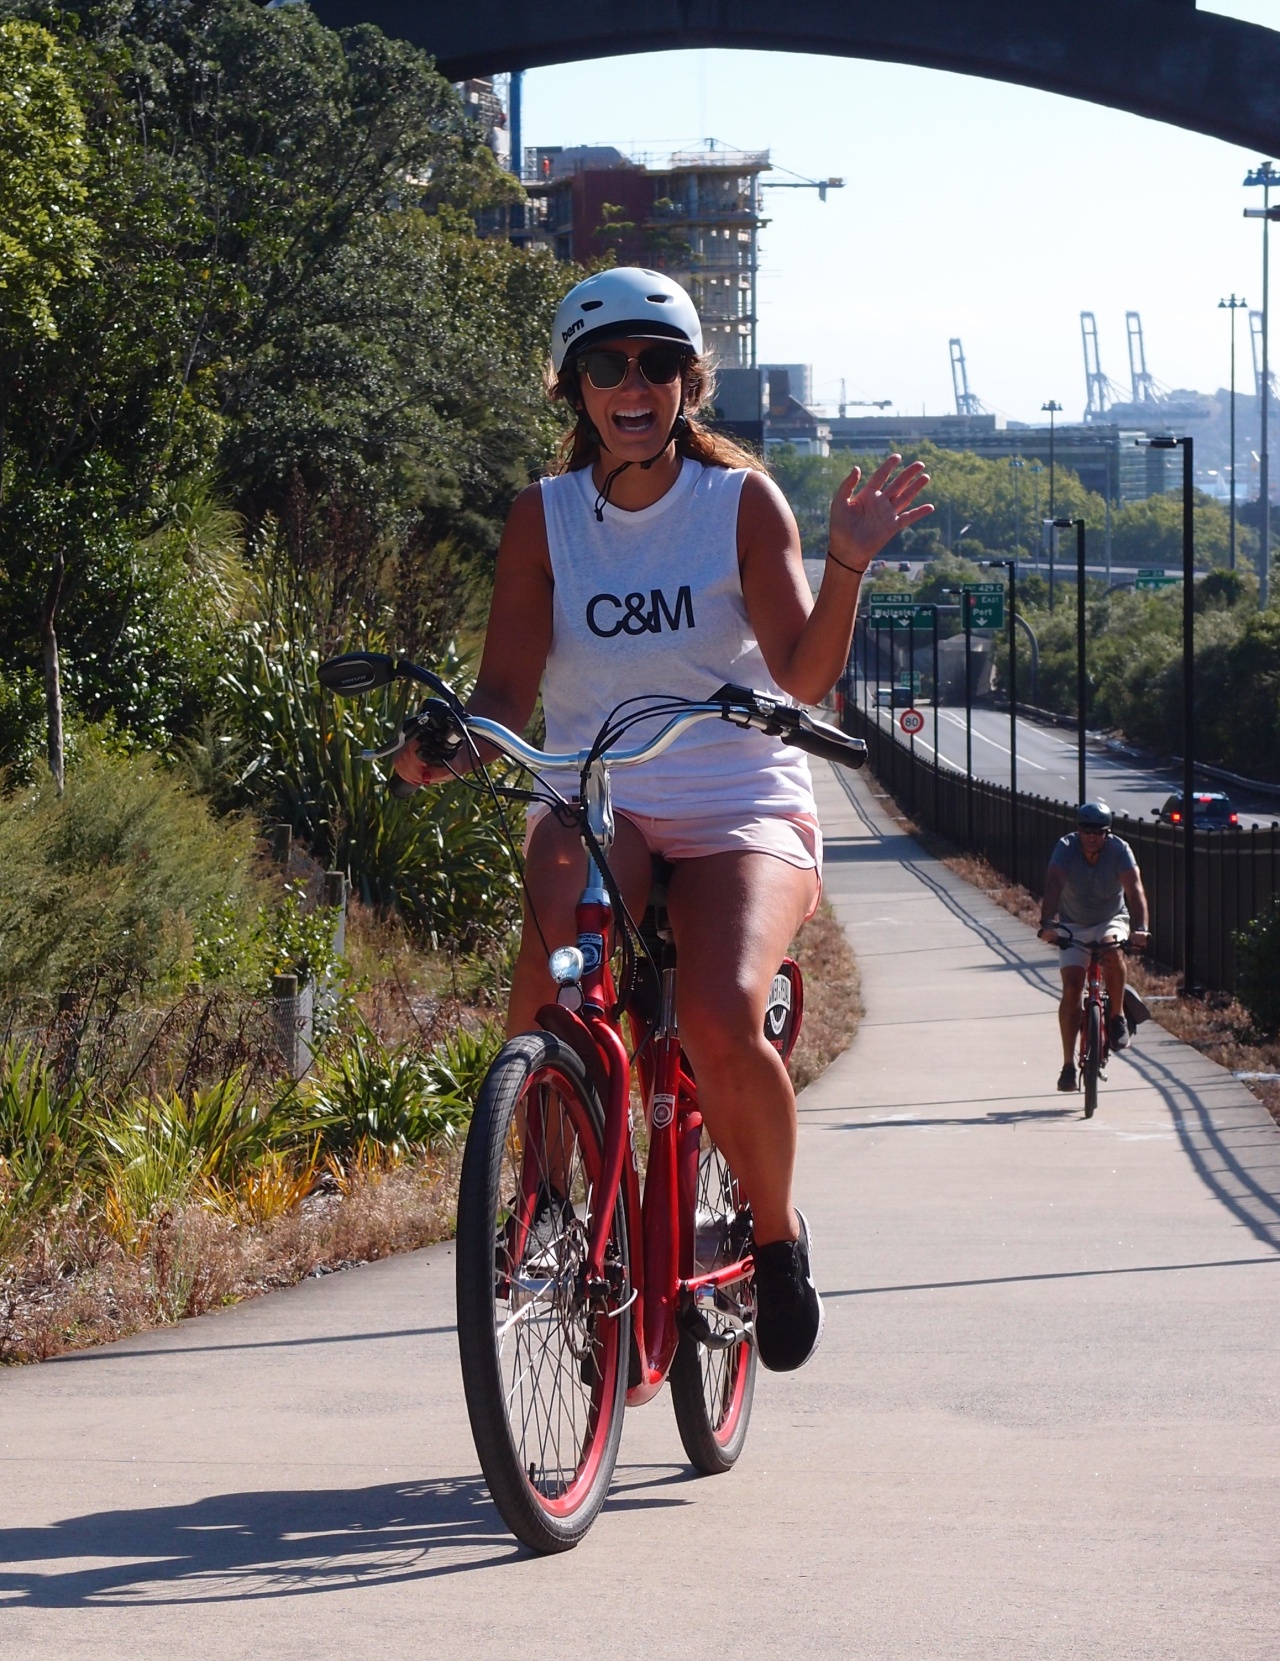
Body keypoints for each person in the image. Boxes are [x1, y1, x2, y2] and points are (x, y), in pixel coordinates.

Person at [393, 266, 931, 1372]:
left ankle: (773, 1238)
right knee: (555, 970)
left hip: (739, 800)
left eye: (655, 365)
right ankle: (549, 1204)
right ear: (572, 386)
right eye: (605, 366)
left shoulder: (740, 504)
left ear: (690, 382)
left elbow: (805, 677)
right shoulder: (543, 519)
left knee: (722, 1013)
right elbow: (504, 693)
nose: (630, 386)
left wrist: (846, 563)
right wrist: (447, 742)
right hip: (601, 795)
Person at [1037, 800, 1150, 1092]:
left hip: (1111, 918)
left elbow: (1135, 889)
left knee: (1111, 951)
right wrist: (1048, 924)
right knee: (1072, 987)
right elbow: (1053, 883)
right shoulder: (1066, 847)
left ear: (1107, 833)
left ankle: (1117, 1016)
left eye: (1099, 832)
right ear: (1079, 830)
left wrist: (1141, 929)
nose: (1092, 837)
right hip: (1073, 922)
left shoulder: (1119, 850)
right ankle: (1067, 1066)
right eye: (1087, 831)